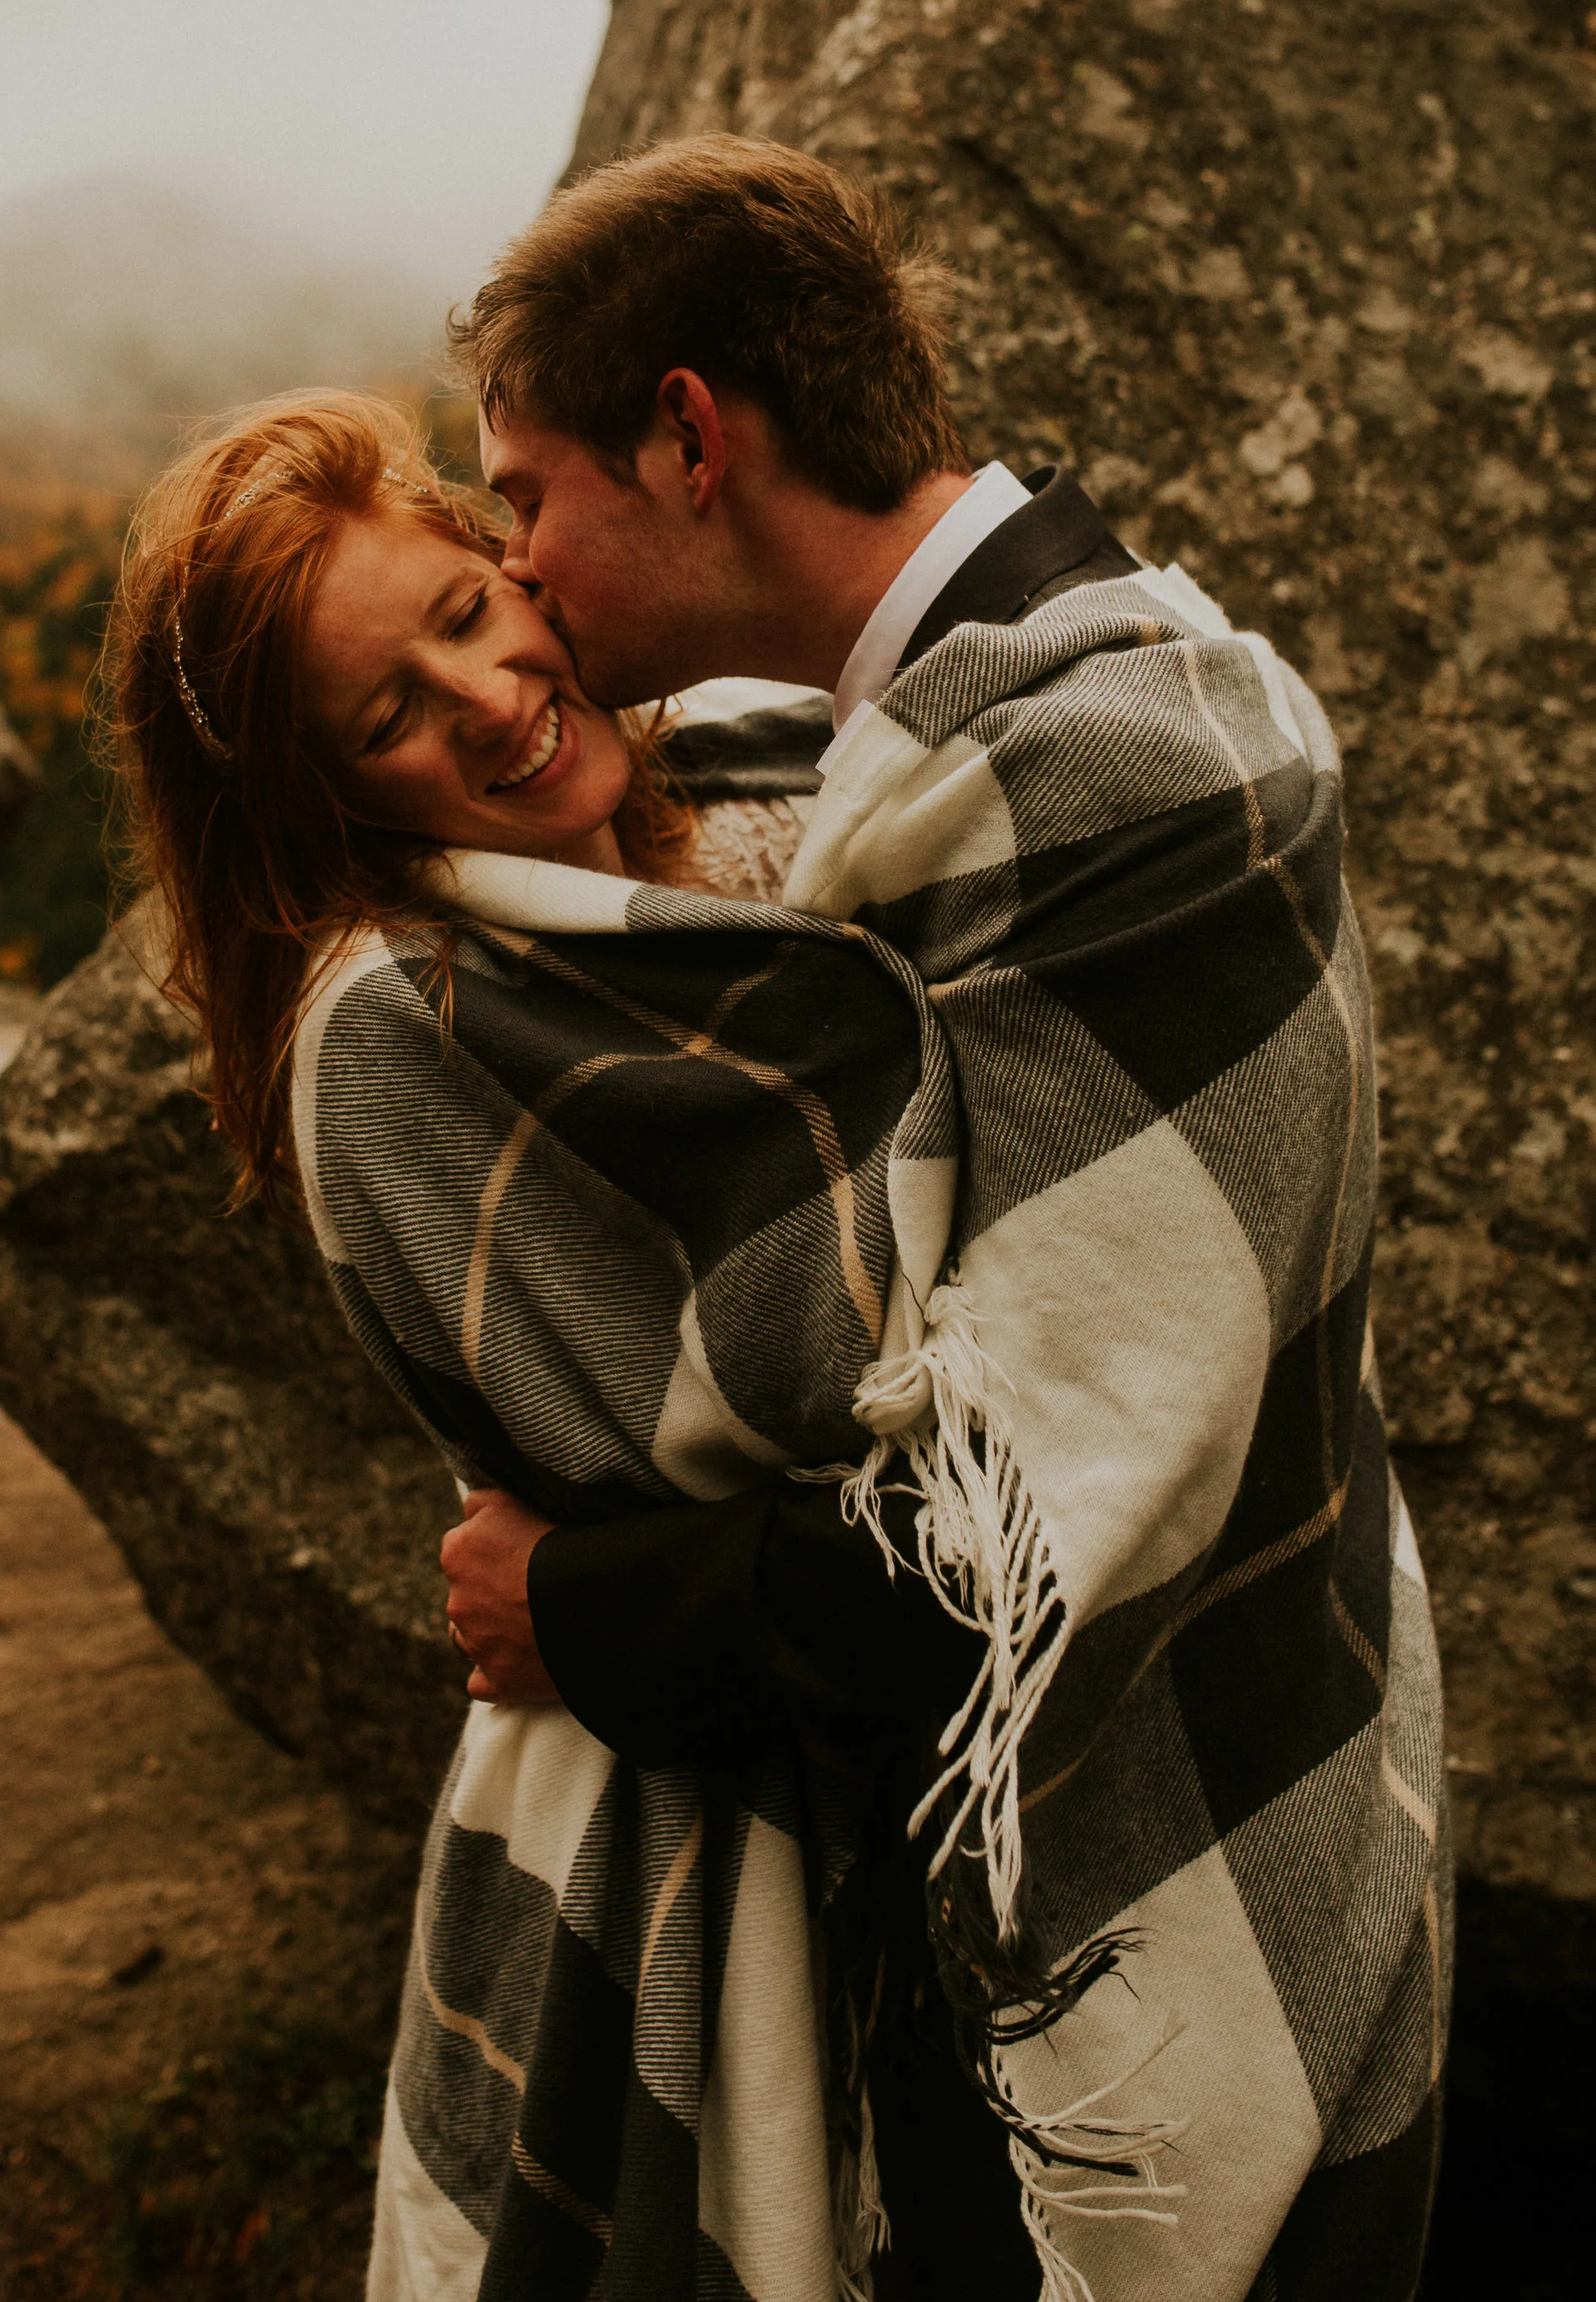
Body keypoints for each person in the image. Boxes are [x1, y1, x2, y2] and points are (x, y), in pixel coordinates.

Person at [439, 135, 1447, 2301]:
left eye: (522, 492)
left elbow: (1052, 1520)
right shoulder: (895, 752)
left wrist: (590, 1605)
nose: (513, 570)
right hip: (997, 1919)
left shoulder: (1120, 757)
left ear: (687, 435)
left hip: (1205, 1872)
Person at [104, 390, 980, 2302]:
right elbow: (846, 1407)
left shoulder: (777, 762)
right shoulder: (396, 1032)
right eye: (386, 721)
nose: (487, 701)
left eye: (455, 614)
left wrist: (575, 1596)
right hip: (725, 1781)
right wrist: (594, 1597)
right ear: (327, 802)